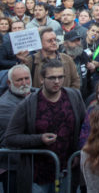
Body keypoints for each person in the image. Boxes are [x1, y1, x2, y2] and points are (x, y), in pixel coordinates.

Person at [3, 59, 86, 192]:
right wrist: (39, 139)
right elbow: (10, 138)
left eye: (60, 77)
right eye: (52, 78)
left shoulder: (74, 96)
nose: (57, 81)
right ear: (42, 79)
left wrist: (78, 153)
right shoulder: (27, 104)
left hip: (66, 171)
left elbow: (85, 128)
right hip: (38, 175)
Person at [0, 65, 35, 193]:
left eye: (27, 78)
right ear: (9, 83)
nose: (24, 83)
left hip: (30, 164)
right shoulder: (4, 104)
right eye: (19, 80)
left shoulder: (36, 93)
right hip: (12, 166)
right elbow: (28, 128)